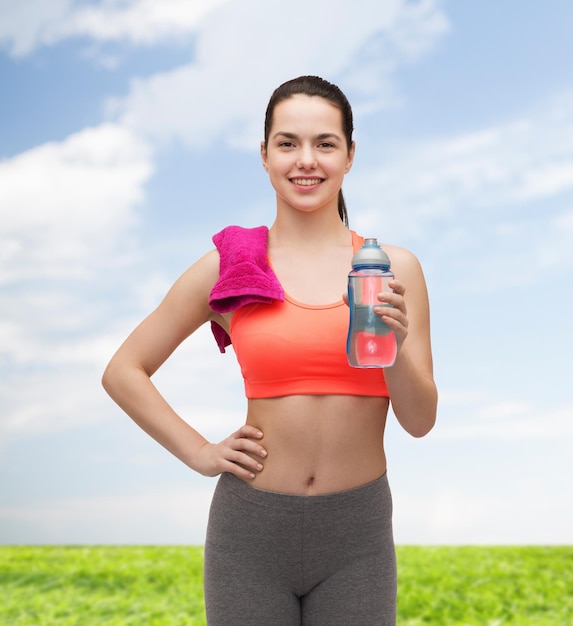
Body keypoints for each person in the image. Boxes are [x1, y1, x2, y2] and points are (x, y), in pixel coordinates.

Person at [102, 75, 437, 626]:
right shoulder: (230, 266)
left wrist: (394, 350)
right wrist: (199, 452)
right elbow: (124, 370)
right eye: (288, 143)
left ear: (350, 155)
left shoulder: (392, 269)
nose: (306, 160)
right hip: (250, 532)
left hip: (357, 534)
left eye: (325, 143)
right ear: (264, 155)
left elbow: (420, 422)